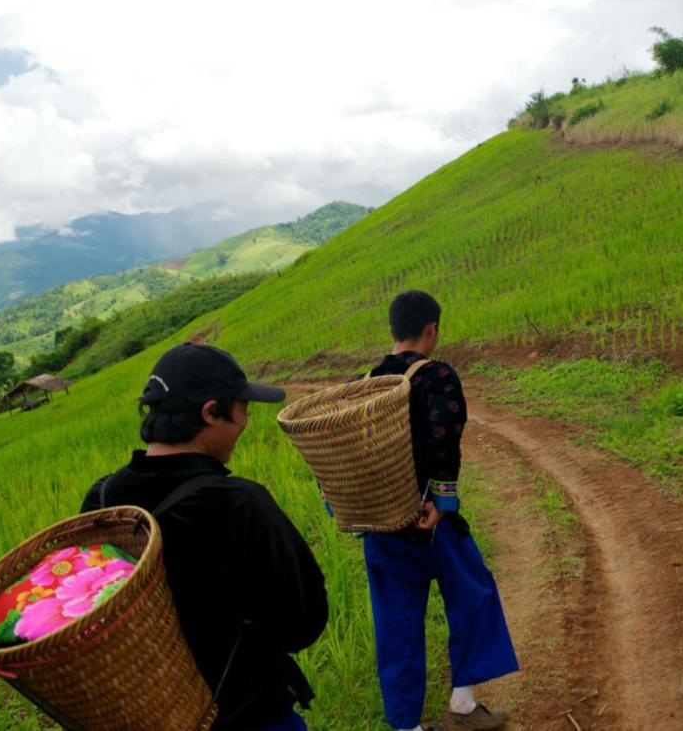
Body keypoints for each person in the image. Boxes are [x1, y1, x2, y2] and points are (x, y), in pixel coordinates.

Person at [83, 342, 328, 731]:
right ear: (210, 412)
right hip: (249, 713)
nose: (246, 421)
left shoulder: (103, 499)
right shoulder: (240, 504)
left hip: (155, 714)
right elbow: (302, 623)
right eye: (242, 408)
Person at [361, 290, 518, 731]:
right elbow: (443, 440)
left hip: (381, 523)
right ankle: (464, 703)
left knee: (395, 624)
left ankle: (406, 726)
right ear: (431, 329)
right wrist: (441, 503)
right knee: (474, 595)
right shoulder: (437, 377)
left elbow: (351, 453)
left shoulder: (366, 380)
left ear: (392, 330)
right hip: (431, 522)